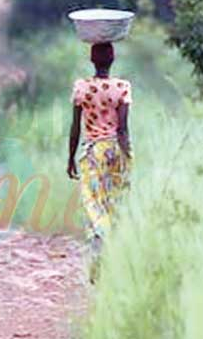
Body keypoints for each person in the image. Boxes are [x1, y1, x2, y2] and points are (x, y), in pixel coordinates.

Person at [67, 42, 132, 283]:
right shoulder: (122, 88)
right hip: (115, 150)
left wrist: (70, 157)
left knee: (93, 204)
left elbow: (75, 127)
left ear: (92, 60)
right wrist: (127, 157)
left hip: (92, 152)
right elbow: (123, 129)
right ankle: (112, 261)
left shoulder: (81, 88)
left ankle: (98, 249)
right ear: (112, 59)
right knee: (114, 204)